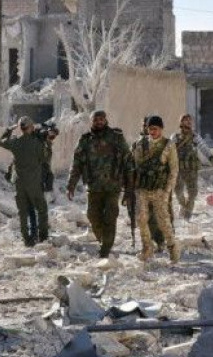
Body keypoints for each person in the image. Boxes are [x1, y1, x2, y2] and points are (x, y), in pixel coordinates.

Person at [66, 110, 133, 258]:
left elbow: (128, 161)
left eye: (101, 119)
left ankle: (105, 248)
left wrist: (129, 186)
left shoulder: (116, 137)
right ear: (91, 122)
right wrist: (71, 184)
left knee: (110, 217)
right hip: (93, 186)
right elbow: (76, 163)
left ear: (106, 120)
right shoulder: (85, 140)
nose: (99, 122)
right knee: (92, 216)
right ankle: (103, 239)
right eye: (96, 120)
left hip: (113, 185)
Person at [132, 115, 180, 263]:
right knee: (141, 219)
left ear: (161, 129)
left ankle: (172, 248)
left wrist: (167, 191)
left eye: (155, 129)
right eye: (150, 129)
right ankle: (147, 248)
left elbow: (174, 170)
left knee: (163, 222)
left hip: (159, 190)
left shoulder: (168, 145)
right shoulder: (140, 144)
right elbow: (134, 165)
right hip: (142, 188)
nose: (152, 131)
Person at [0, 116, 49, 246]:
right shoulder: (37, 143)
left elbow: (1, 142)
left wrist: (8, 131)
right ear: (31, 127)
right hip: (34, 183)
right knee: (42, 209)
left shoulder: (15, 142)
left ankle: (26, 239)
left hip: (20, 183)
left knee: (23, 212)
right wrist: (45, 141)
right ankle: (43, 237)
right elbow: (45, 158)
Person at [170, 114, 213, 220]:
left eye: (190, 120)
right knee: (178, 192)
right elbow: (169, 149)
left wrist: (211, 157)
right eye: (186, 120)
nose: (189, 122)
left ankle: (187, 215)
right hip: (179, 170)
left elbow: (203, 147)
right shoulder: (175, 137)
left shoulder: (195, 137)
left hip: (191, 170)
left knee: (193, 193)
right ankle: (183, 206)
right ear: (181, 122)